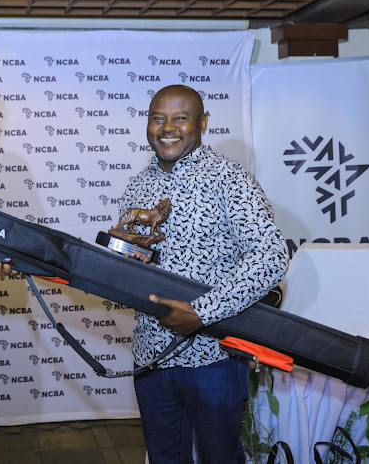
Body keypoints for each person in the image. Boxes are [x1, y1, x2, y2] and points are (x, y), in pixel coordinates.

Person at [119, 85, 289, 463]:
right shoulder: (137, 186)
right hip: (150, 357)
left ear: (203, 123)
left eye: (181, 118)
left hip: (212, 358)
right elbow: (132, 259)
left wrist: (202, 312)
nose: (168, 128)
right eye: (158, 118)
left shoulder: (230, 179)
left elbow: (271, 256)